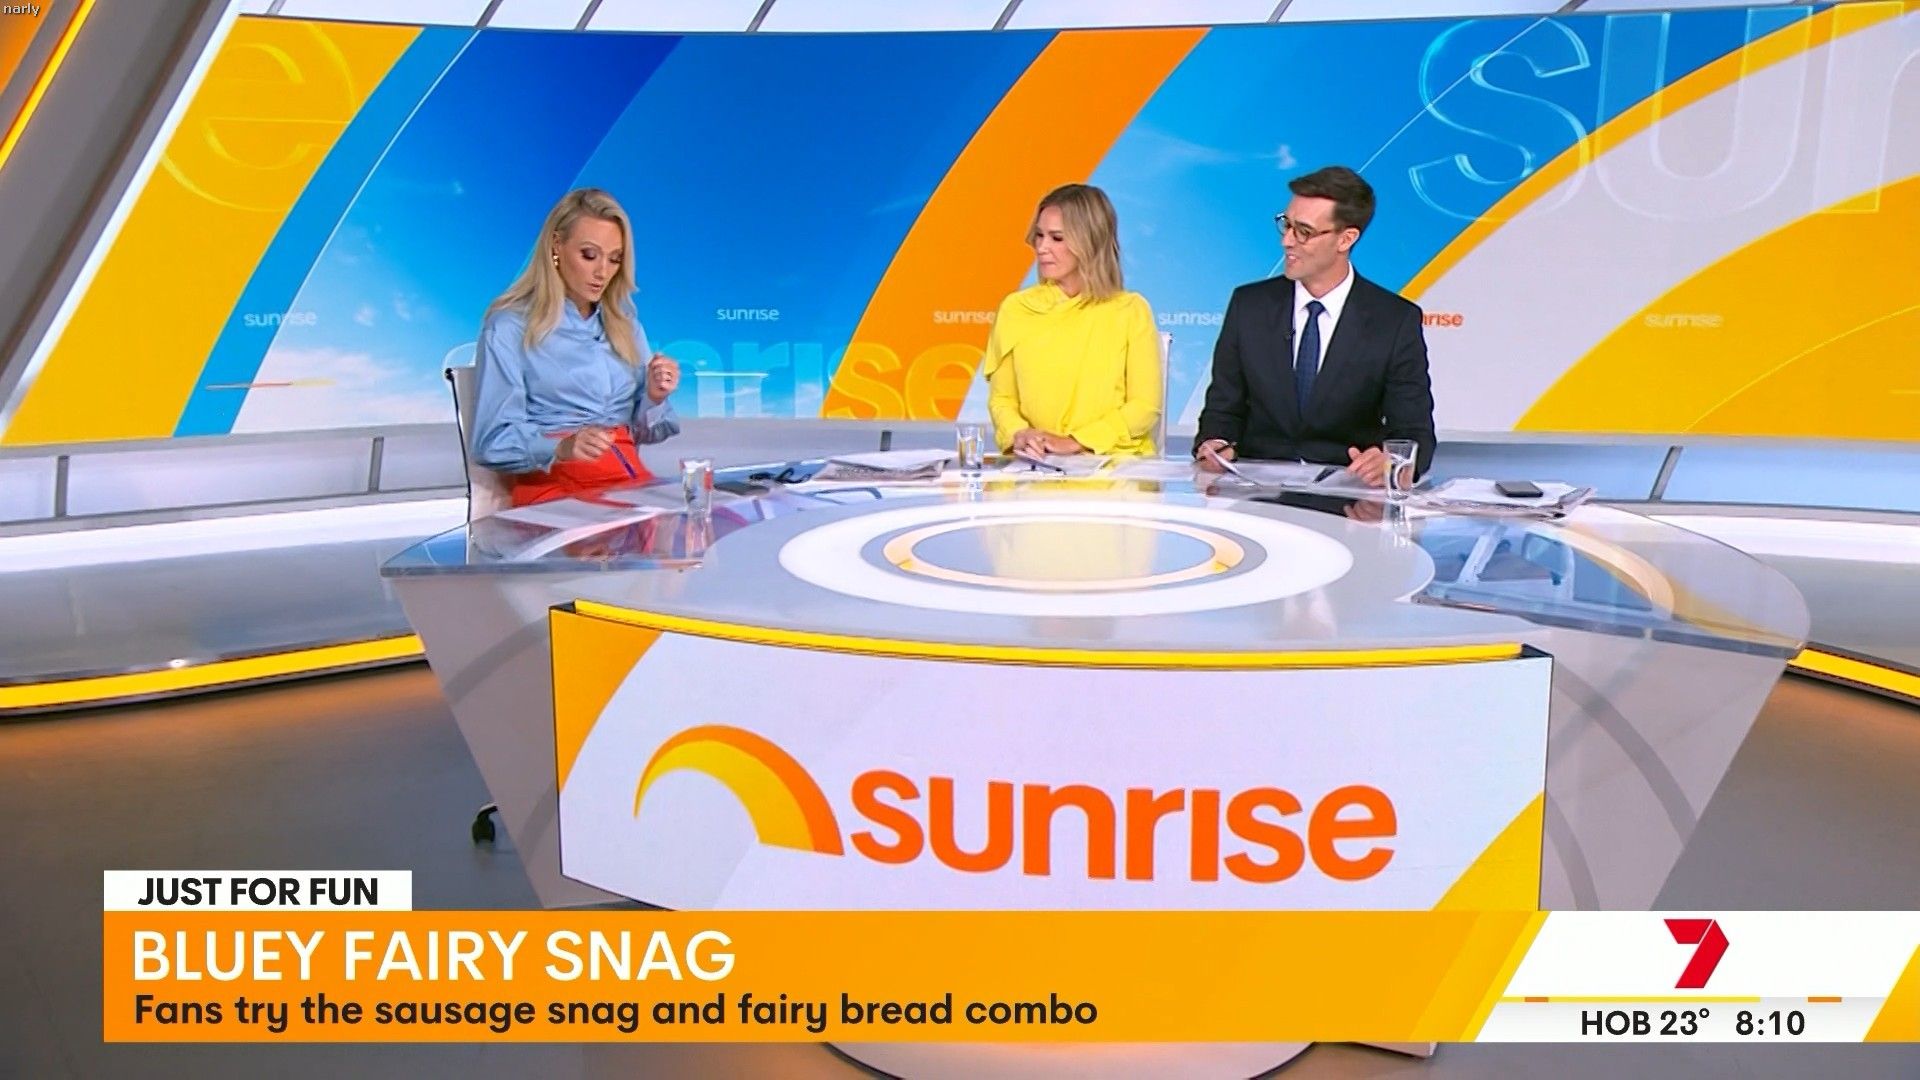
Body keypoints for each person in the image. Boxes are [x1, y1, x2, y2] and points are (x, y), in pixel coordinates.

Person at [1194, 166, 1434, 486]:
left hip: (1349, 496)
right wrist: (1214, 444)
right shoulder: (1249, 306)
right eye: (1286, 225)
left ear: (1346, 239)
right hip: (1256, 492)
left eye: (1304, 231)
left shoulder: (1393, 320)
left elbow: (1414, 433)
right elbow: (1222, 411)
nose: (1287, 241)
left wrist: (1391, 462)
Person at [470, 188, 682, 506]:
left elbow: (645, 434)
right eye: (589, 255)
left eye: (614, 259)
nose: (602, 272)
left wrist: (654, 398)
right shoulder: (509, 327)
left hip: (626, 483)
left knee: (710, 516)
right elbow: (491, 442)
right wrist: (561, 447)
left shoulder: (625, 324)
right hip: (554, 489)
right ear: (557, 245)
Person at [983, 183, 1162, 459]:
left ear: (1090, 242)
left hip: (1114, 465)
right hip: (1037, 463)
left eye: (1057, 238)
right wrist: (1019, 433)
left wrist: (1077, 441)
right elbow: (1003, 399)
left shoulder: (1130, 310)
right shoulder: (1016, 309)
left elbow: (1144, 407)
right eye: (1039, 235)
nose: (1042, 247)